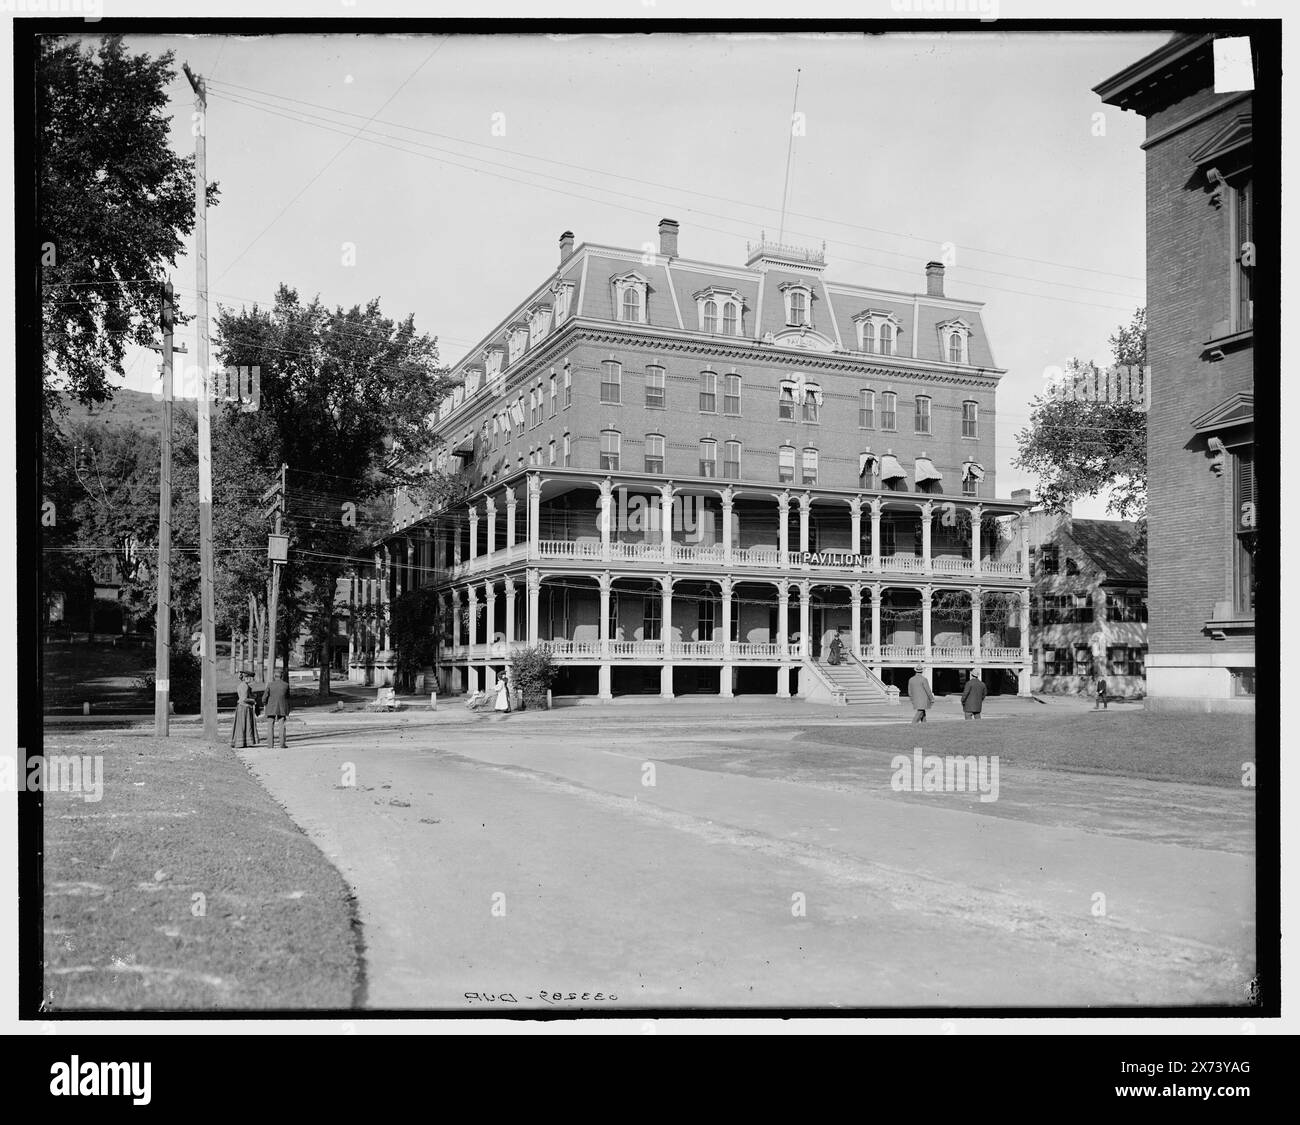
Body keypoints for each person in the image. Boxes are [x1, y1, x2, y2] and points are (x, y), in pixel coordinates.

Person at [230, 671, 260, 748]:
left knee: (243, 725)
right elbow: (244, 699)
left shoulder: (242, 685)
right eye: (250, 678)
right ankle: (243, 743)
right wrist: (254, 701)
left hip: (243, 707)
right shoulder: (245, 686)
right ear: (246, 678)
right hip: (244, 707)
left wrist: (253, 696)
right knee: (244, 725)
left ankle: (243, 742)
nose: (251, 679)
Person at [264, 671, 291, 748]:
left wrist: (264, 703)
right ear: (281, 676)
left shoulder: (270, 685)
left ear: (274, 676)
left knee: (270, 726)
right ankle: (282, 744)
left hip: (271, 707)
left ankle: (270, 745)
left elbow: (265, 696)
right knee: (282, 725)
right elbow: (288, 697)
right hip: (282, 707)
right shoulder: (286, 685)